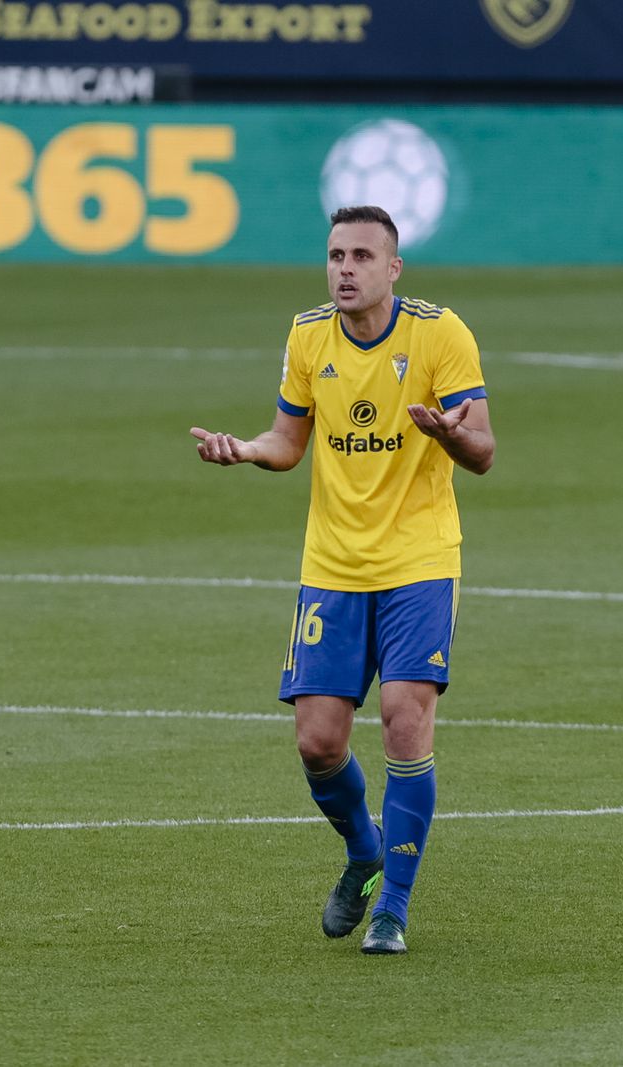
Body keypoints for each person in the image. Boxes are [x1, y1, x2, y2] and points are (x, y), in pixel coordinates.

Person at [190, 205, 494, 956]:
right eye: (335, 255)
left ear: (394, 268)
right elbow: (288, 441)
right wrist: (247, 451)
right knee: (318, 742)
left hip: (420, 559)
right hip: (332, 563)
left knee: (402, 718)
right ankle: (365, 850)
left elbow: (484, 449)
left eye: (362, 255)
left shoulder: (439, 332)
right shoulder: (307, 334)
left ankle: (392, 904)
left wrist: (453, 436)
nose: (345, 268)